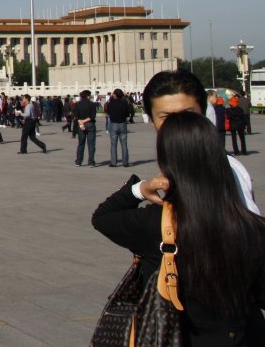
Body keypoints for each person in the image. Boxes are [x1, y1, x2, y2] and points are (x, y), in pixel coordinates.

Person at [92, 110, 265, 345]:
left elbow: (102, 217)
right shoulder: (253, 228)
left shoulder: (155, 224)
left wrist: (140, 189)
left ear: (168, 163)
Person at [140, 69, 259, 214]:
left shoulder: (228, 167)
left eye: (188, 114)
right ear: (151, 120)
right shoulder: (174, 162)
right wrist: (141, 188)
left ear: (203, 113)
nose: (179, 123)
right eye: (166, 117)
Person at [104, 89, 131, 167]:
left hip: (114, 124)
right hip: (122, 124)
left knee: (113, 144)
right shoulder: (125, 102)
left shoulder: (111, 103)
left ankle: (113, 162)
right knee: (124, 144)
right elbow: (127, 114)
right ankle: (125, 162)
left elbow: (108, 112)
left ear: (115, 95)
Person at [72, 90, 97, 167]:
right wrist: (84, 120)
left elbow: (75, 115)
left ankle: (78, 161)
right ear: (88, 96)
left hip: (80, 125)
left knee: (81, 143)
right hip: (90, 124)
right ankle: (91, 162)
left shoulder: (77, 104)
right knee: (91, 144)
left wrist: (81, 122)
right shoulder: (92, 104)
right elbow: (93, 116)